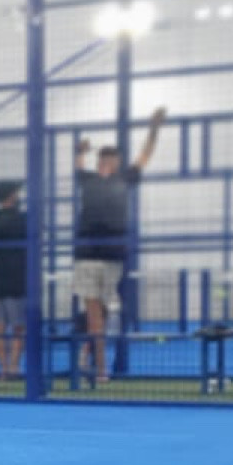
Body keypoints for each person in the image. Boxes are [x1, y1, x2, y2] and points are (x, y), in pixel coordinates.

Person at [72, 111, 164, 384]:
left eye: (115, 160)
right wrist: (80, 151)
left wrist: (153, 129)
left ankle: (89, 356)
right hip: (87, 256)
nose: (112, 163)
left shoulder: (123, 179)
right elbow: (79, 164)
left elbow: (145, 156)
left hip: (112, 256)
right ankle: (100, 368)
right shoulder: (88, 179)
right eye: (108, 159)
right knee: (95, 314)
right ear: (103, 162)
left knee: (103, 312)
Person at [0, 178, 27, 381]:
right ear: (12, 195)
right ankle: (13, 368)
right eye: (17, 192)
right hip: (17, 281)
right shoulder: (23, 219)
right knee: (17, 328)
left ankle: (5, 369)